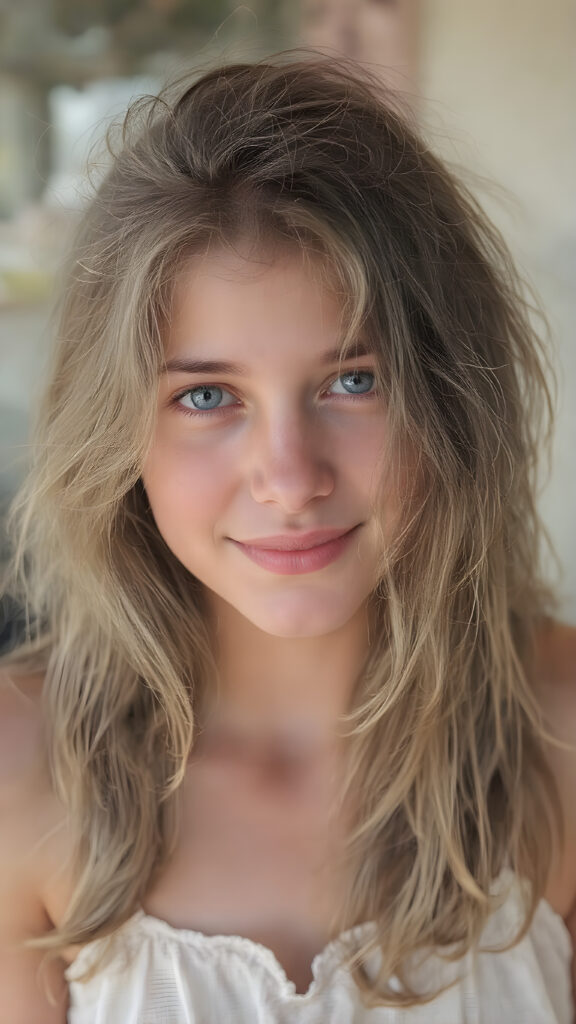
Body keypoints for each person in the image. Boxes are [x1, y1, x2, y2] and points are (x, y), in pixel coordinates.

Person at [0, 52, 575, 1024]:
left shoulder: (560, 734)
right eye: (208, 395)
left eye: (354, 379)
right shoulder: (19, 768)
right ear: (116, 428)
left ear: (452, 397)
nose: (291, 478)